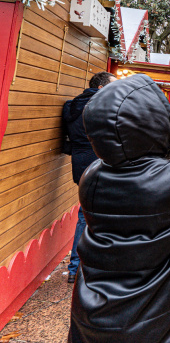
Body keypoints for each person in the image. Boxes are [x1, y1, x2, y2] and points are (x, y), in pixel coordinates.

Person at [68, 74, 170, 342]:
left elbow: (140, 162)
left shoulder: (92, 175)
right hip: (161, 318)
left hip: (97, 313)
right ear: (154, 123)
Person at [61, 71, 116, 284]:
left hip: (81, 168)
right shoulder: (105, 107)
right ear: (102, 89)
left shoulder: (71, 106)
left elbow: (67, 141)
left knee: (86, 217)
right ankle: (96, 269)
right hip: (103, 166)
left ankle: (76, 269)